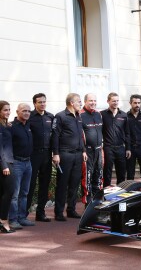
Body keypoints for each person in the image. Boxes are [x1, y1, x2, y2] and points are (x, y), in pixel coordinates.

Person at [52, 93, 87, 221]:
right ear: (72, 103)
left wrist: (83, 150)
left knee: (74, 183)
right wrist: (55, 154)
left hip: (78, 155)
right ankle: (59, 212)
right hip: (65, 154)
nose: (81, 104)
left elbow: (80, 135)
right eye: (79, 102)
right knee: (62, 184)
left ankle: (71, 210)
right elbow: (55, 136)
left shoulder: (79, 116)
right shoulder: (60, 116)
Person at [27, 93, 54, 222]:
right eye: (39, 102)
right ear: (34, 104)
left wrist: (55, 153)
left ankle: (40, 213)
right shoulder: (29, 117)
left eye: (44, 102)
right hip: (33, 155)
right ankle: (24, 214)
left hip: (47, 155)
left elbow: (54, 136)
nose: (42, 104)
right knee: (30, 185)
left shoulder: (50, 117)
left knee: (44, 184)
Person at [9, 103, 34, 229]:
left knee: (24, 192)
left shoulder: (28, 125)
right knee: (15, 193)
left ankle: (22, 217)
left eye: (29, 111)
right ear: (17, 111)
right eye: (24, 111)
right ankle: (12, 220)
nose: (27, 113)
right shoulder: (11, 127)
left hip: (28, 163)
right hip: (16, 163)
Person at [101, 92, 131, 187]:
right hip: (108, 148)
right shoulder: (102, 114)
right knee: (107, 173)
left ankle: (120, 194)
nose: (116, 102)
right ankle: (105, 195)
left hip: (120, 148)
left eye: (117, 101)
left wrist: (128, 148)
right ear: (108, 101)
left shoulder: (124, 115)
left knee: (121, 173)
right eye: (113, 101)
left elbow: (127, 133)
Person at [80, 93, 103, 205]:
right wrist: (83, 150)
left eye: (94, 100)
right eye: (90, 100)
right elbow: (79, 135)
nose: (93, 102)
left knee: (98, 175)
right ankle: (88, 202)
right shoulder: (80, 115)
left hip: (99, 150)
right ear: (85, 101)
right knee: (88, 176)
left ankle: (98, 200)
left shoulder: (99, 114)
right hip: (87, 151)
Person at [126, 94, 141, 184]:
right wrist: (128, 147)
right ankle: (130, 194)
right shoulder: (126, 117)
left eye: (139, 103)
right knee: (130, 173)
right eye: (135, 103)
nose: (137, 105)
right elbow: (125, 134)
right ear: (130, 103)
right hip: (130, 149)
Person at [0, 101, 16, 233]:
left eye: (9, 110)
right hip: (4, 164)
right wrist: (4, 165)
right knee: (9, 191)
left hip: (9, 161)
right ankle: (3, 220)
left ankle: (2, 219)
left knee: (4, 192)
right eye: (5, 110)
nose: (8, 112)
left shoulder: (6, 125)